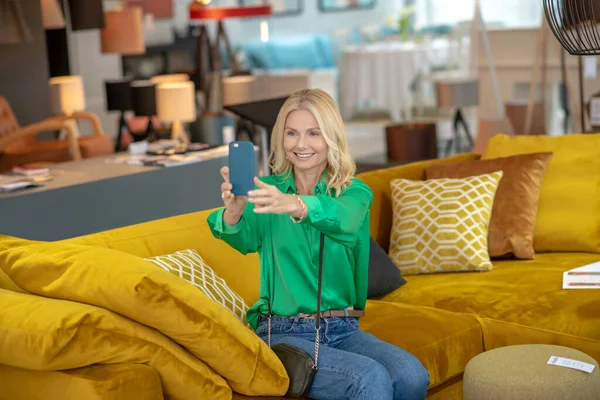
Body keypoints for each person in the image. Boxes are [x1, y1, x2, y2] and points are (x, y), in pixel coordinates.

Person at [207, 88, 429, 400]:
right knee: (368, 379)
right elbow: (242, 238)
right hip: (282, 332)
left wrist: (297, 205)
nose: (301, 144)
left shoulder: (354, 193)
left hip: (342, 328)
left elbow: (343, 222)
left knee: (411, 374)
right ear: (281, 140)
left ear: (332, 138)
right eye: (291, 133)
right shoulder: (267, 190)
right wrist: (233, 212)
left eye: (314, 133)